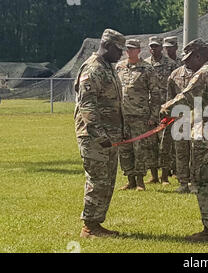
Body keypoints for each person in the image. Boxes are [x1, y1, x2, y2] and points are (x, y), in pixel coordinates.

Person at [159, 42, 208, 242]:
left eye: (190, 59)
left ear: (200, 55)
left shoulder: (205, 73)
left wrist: (165, 109)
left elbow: (186, 97)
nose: (188, 64)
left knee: (205, 181)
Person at [74, 29, 125, 238]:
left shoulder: (108, 68)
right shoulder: (93, 68)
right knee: (97, 180)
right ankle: (89, 226)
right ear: (109, 46)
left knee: (107, 181)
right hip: (95, 138)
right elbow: (88, 106)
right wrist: (99, 135)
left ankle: (96, 223)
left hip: (109, 137)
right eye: (119, 50)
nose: (121, 54)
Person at [115, 39, 162, 191]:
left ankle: (140, 181)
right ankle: (130, 180)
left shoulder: (147, 69)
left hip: (140, 115)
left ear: (139, 50)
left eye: (133, 49)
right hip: (122, 115)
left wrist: (154, 116)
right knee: (125, 148)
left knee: (140, 148)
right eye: (128, 49)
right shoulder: (119, 67)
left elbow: (155, 94)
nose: (129, 51)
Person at [166, 39, 208, 194]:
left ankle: (196, 182)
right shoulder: (175, 75)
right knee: (181, 152)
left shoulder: (205, 74)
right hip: (181, 120)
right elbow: (170, 97)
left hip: (199, 120)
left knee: (197, 152)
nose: (187, 62)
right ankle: (183, 182)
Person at [145, 36, 178, 184]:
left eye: (156, 46)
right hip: (150, 108)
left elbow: (175, 87)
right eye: (151, 47)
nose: (154, 49)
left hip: (166, 108)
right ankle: (153, 176)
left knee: (166, 143)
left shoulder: (171, 65)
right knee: (151, 143)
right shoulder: (144, 64)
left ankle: (165, 176)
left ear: (161, 48)